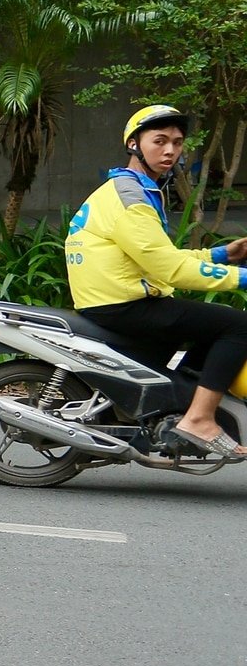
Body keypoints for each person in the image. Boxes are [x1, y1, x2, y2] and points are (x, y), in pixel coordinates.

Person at [66, 104, 247, 457]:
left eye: (177, 143)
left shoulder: (131, 189)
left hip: (117, 301)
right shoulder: (131, 198)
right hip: (124, 305)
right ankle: (198, 419)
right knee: (239, 326)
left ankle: (182, 409)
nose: (170, 151)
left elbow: (159, 258)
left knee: (213, 329)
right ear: (134, 144)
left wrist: (223, 256)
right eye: (159, 141)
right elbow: (170, 271)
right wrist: (241, 279)